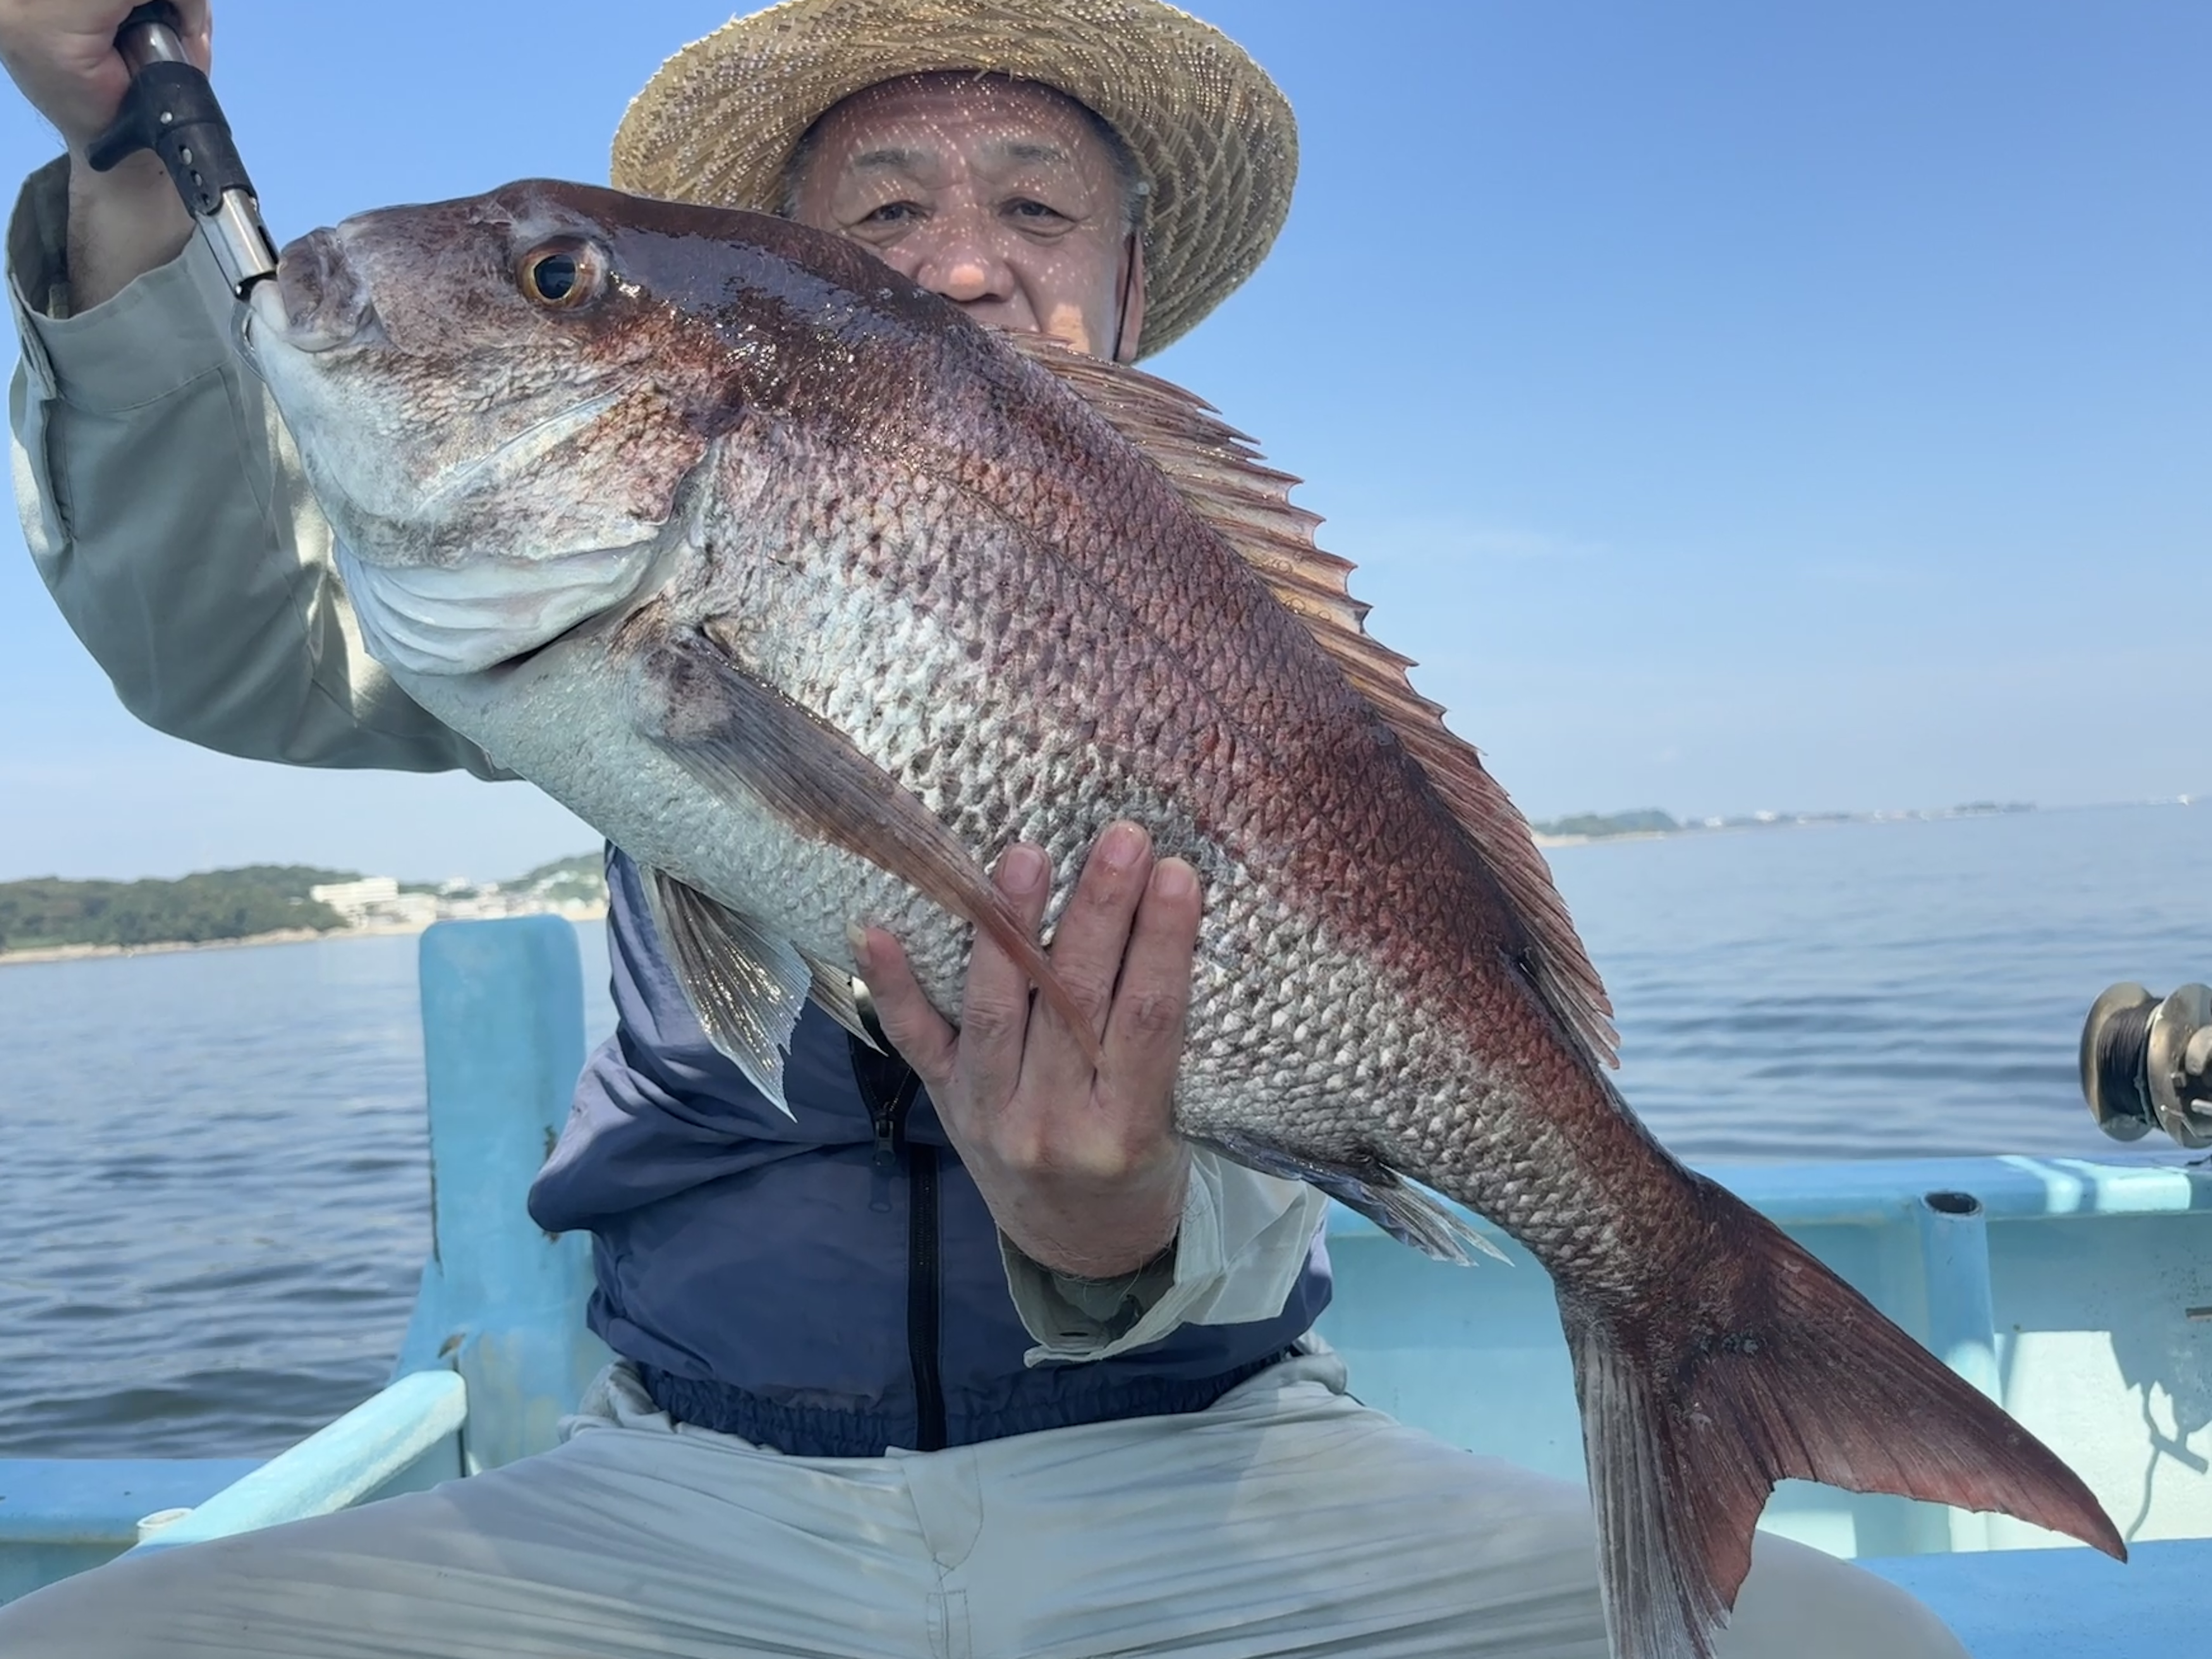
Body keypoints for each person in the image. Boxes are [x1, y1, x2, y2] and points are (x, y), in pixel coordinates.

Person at [0, 3, 1971, 1654]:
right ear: (784, 281)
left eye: (1035, 207)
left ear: (1128, 288)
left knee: (1863, 1647)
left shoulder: (1223, 621)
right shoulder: (557, 613)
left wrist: (1112, 1242)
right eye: (885, 212)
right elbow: (222, 627)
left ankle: (1684, 1307)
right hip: (694, 1481)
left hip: (1213, 1459)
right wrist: (123, 166)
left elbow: (1327, 993)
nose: (960, 260)